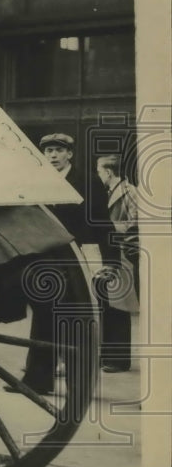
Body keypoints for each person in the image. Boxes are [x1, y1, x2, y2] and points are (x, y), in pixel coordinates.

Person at [7, 132, 93, 396]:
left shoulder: (86, 182)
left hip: (75, 258)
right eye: (48, 151)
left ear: (70, 154)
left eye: (58, 150)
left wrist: (96, 261)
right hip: (44, 258)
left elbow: (97, 224)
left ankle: (80, 386)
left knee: (76, 318)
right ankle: (37, 381)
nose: (53, 156)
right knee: (44, 316)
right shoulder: (38, 182)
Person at [95, 154, 139, 373]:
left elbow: (137, 224)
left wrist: (114, 231)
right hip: (110, 253)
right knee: (108, 305)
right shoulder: (109, 193)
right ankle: (108, 355)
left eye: (99, 172)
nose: (98, 175)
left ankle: (119, 360)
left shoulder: (130, 192)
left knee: (119, 308)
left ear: (108, 172)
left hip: (122, 254)